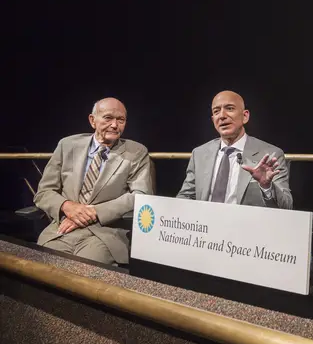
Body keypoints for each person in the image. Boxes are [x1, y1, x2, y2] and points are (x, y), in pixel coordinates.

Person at [34, 98, 153, 265]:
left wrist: (94, 212)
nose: (114, 125)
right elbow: (44, 192)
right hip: (62, 228)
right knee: (44, 268)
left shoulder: (136, 152)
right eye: (108, 118)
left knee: (82, 271)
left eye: (121, 120)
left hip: (104, 233)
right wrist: (68, 206)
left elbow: (141, 194)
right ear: (92, 120)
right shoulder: (67, 145)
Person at [177, 90, 292, 209]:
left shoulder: (271, 154)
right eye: (216, 111)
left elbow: (286, 206)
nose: (222, 116)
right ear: (213, 120)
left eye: (229, 108)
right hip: (205, 220)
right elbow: (186, 196)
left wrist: (267, 186)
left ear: (245, 116)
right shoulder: (199, 154)